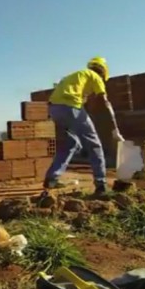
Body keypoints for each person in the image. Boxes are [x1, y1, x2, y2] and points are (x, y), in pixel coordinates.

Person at [44, 57, 124, 195]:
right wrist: (115, 129)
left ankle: (52, 179)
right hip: (71, 108)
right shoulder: (95, 76)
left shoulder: (75, 76)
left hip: (54, 109)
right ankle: (101, 185)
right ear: (103, 71)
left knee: (70, 144)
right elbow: (105, 103)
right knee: (94, 145)